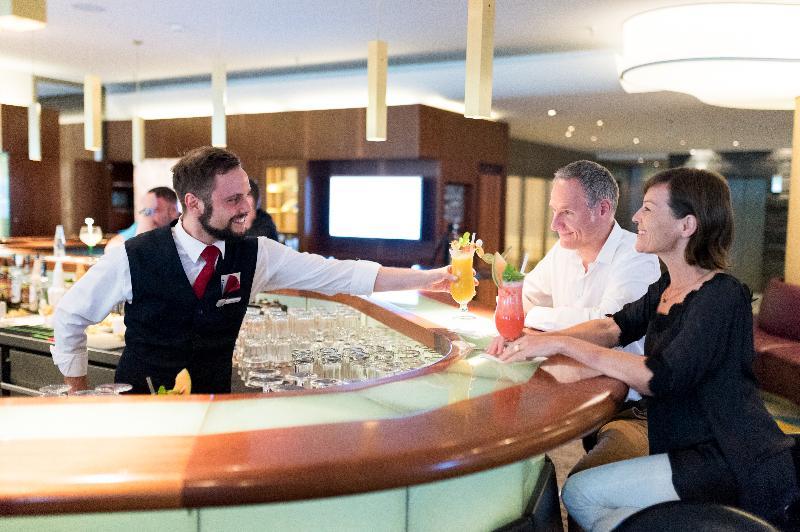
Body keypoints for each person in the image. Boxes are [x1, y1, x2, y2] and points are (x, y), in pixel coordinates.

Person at [493, 167, 799, 530]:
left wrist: (561, 341)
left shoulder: (722, 295)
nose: (636, 216)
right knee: (600, 507)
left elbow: (659, 376)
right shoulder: (667, 287)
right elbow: (612, 326)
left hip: (727, 455)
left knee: (581, 493)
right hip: (682, 444)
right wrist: (538, 342)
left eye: (649, 209)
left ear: (687, 225)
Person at [52, 146, 461, 394]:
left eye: (246, 194)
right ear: (193, 203)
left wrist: (427, 278)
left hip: (215, 409)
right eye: (233, 199)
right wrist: (79, 391)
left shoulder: (256, 254)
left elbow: (340, 275)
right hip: (140, 411)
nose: (247, 206)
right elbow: (70, 315)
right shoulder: (132, 255)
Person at [487, 160, 660, 474]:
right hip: (577, 381)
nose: (555, 223)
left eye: (566, 212)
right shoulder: (563, 251)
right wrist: (513, 322)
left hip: (628, 400)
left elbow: (609, 326)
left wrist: (539, 320)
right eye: (554, 210)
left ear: (603, 209)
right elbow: (522, 299)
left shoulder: (635, 257)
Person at [105, 186, 180, 250]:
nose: (149, 216)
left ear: (173, 211)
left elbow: (143, 249)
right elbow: (111, 247)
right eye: (146, 210)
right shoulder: (146, 224)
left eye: (154, 210)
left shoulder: (182, 227)